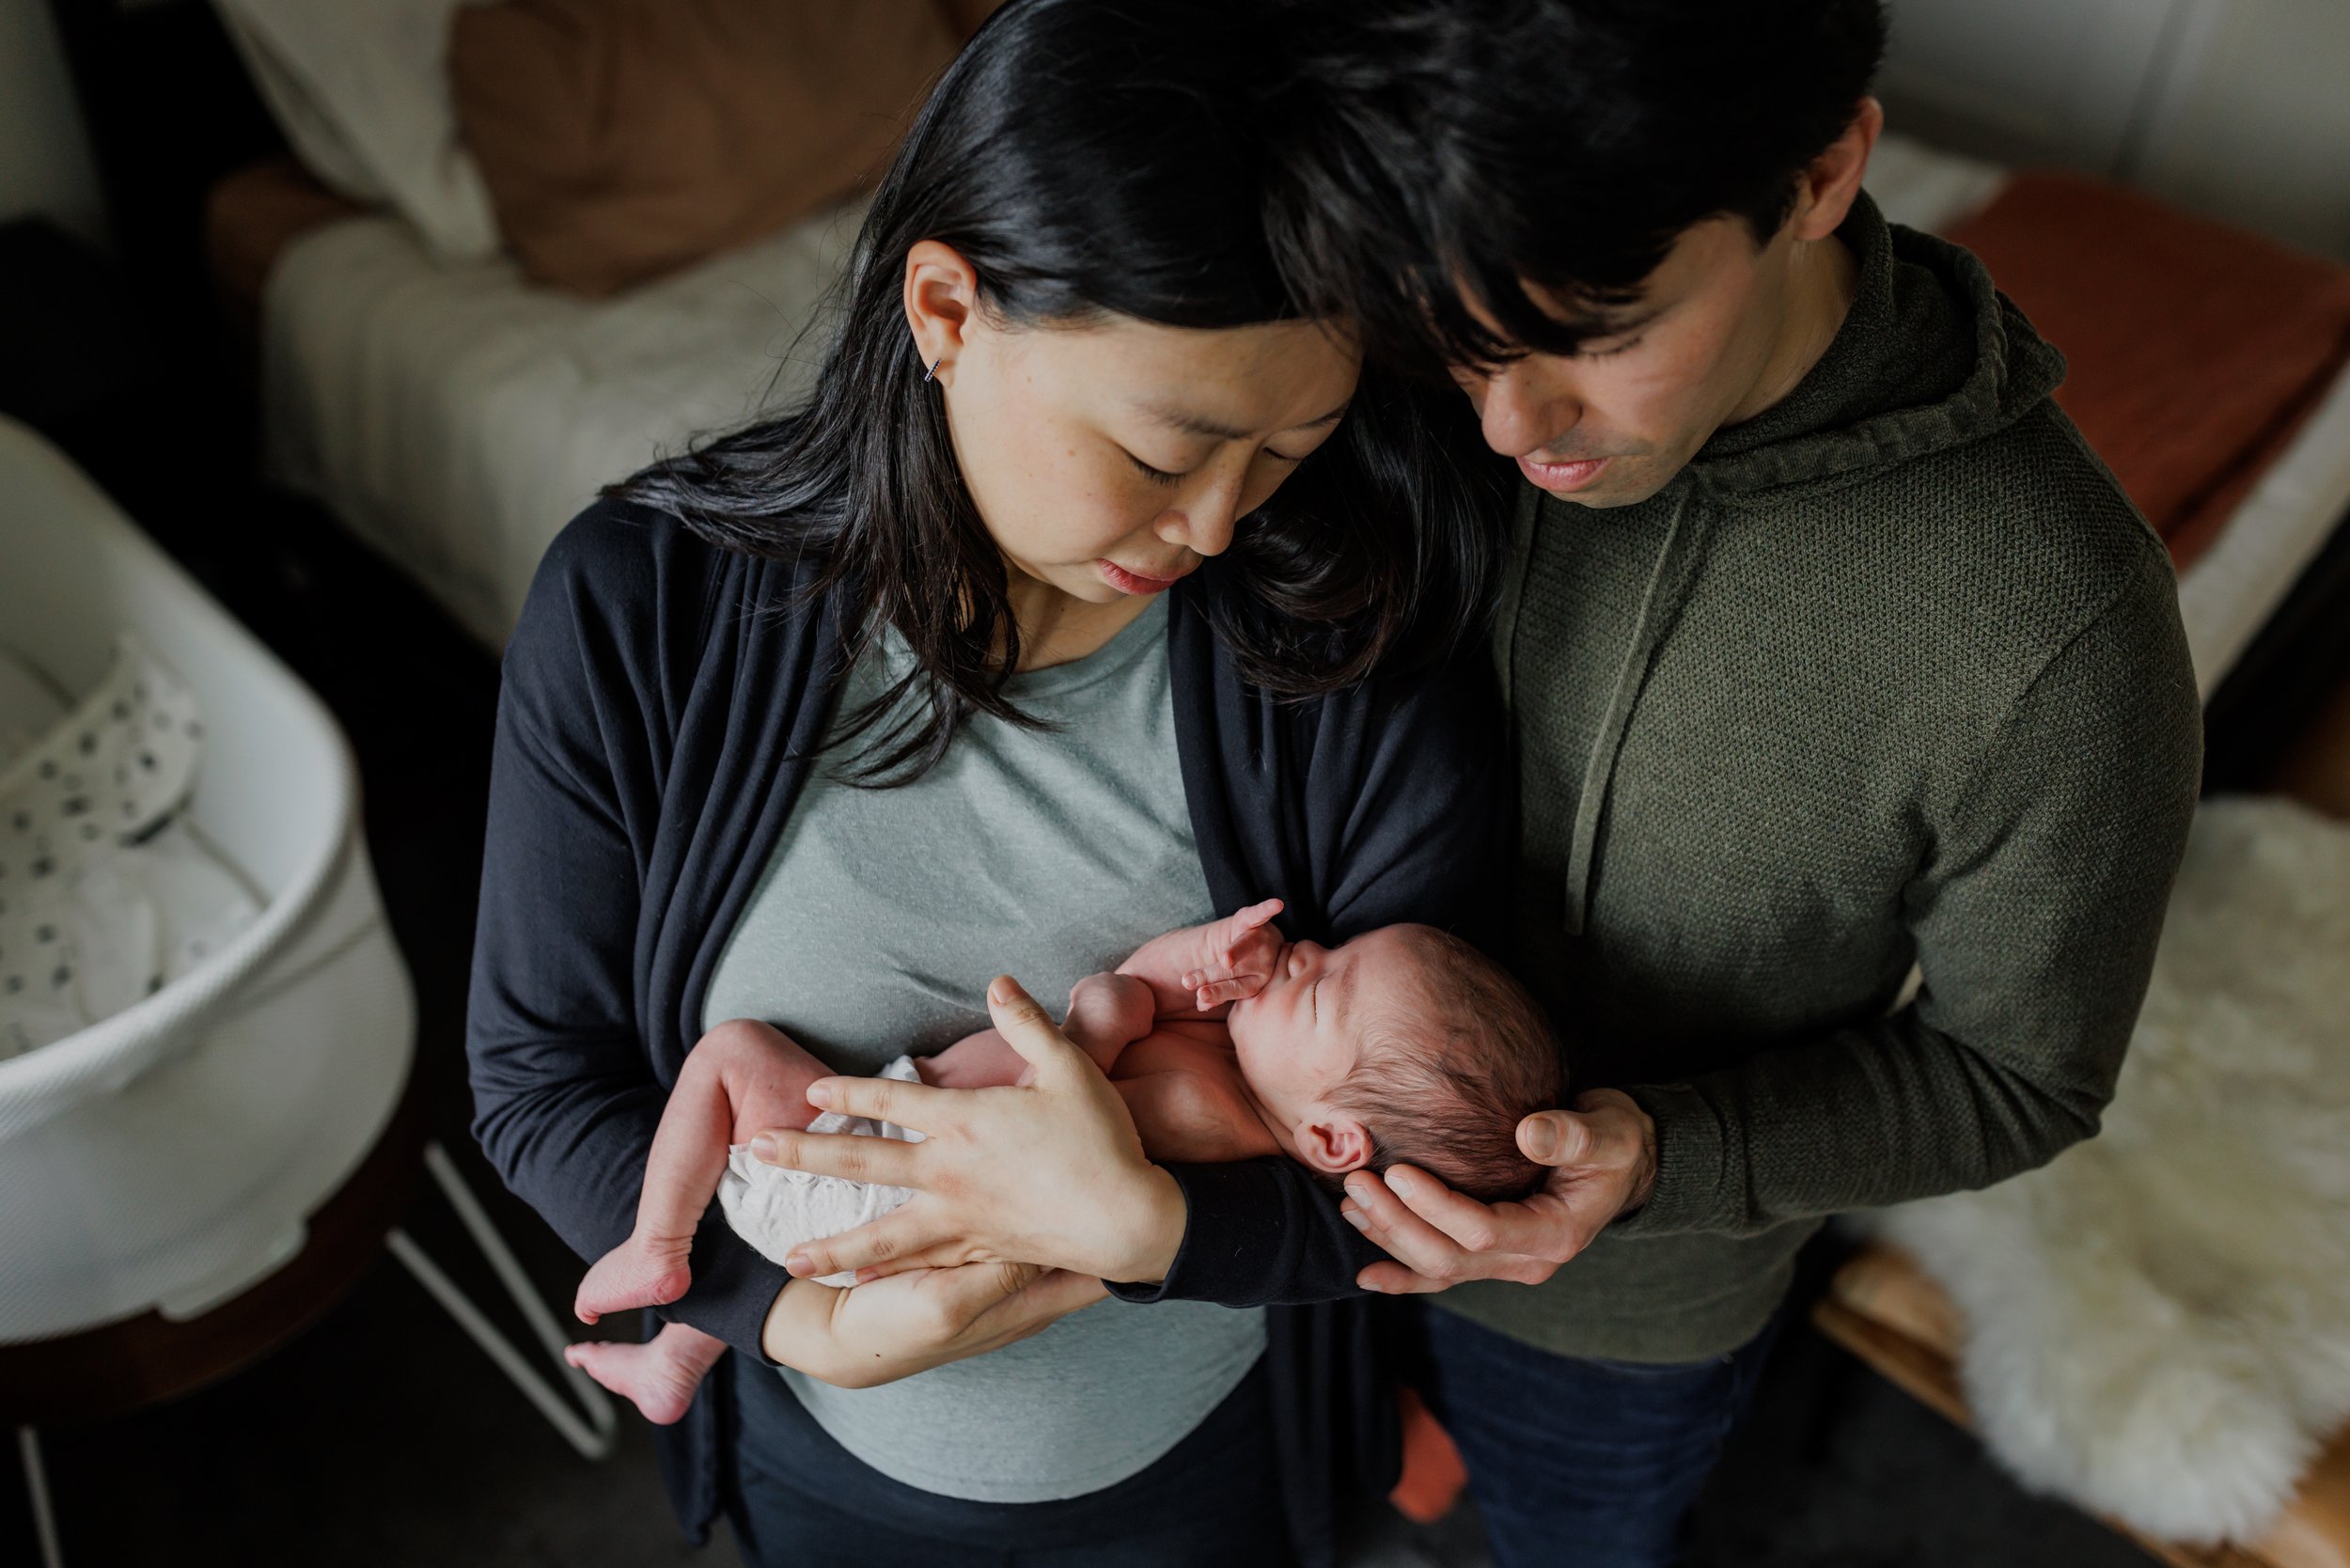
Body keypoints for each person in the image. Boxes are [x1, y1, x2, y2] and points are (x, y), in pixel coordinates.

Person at [771, 2, 2203, 1563]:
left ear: (1820, 173)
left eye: (1595, 333)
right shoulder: (1398, 338)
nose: (1511, 428)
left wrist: (1659, 1153)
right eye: (1455, 341)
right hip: (1224, 1183)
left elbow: (2020, 1075)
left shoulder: (2053, 633)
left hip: (1606, 1310)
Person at [464, 2, 1510, 1564]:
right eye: (1166, 451)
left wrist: (1145, 1239)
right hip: (828, 1466)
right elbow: (541, 1079)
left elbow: (1421, 1156)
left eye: (1288, 451)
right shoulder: (643, 607)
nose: (1219, 526)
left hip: (1207, 1463)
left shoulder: (1347, 650)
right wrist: (797, 1318)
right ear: (948, 308)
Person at [565, 903, 1558, 1425]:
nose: (1305, 954)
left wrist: (1103, 1020)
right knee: (774, 1258)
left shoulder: (1202, 1112)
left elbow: (1059, 1129)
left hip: (877, 1169)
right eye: (1334, 947)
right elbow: (1158, 980)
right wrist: (1205, 958)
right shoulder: (1243, 1081)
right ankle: (675, 1355)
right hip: (883, 1222)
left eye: (1323, 986)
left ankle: (657, 1244)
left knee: (734, 1054)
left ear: (1335, 1142)